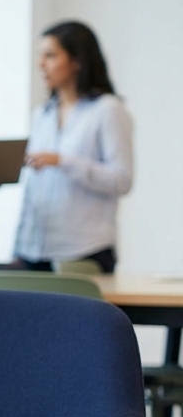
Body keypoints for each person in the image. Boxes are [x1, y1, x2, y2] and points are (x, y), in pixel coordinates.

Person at [14, 20, 133, 273]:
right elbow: (33, 189)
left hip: (83, 251)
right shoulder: (41, 115)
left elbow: (121, 180)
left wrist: (63, 161)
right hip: (34, 250)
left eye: (50, 56)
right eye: (40, 56)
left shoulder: (107, 111)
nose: (41, 64)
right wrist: (18, 245)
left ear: (77, 61)